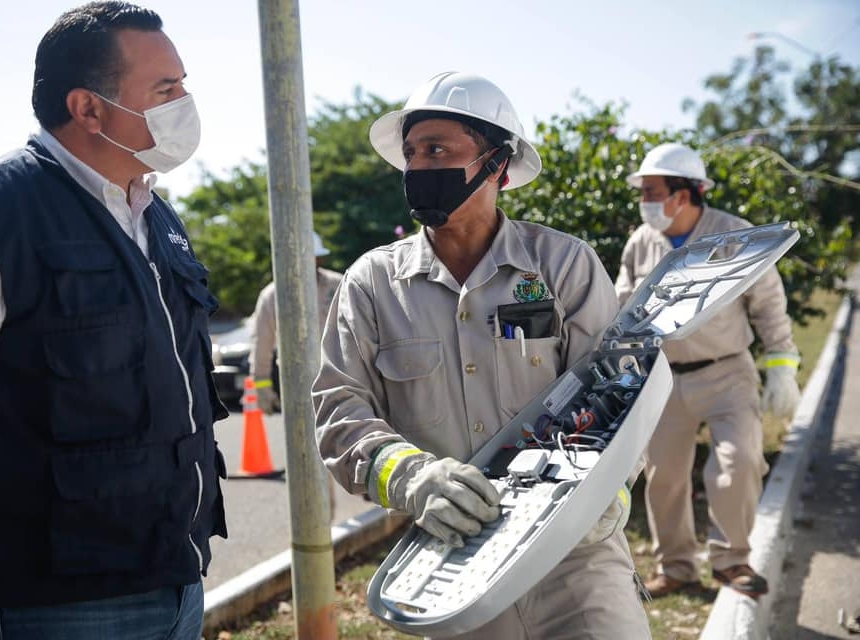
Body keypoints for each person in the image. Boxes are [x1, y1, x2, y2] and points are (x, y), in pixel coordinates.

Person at [0, 3, 228, 638]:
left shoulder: (154, 216)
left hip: (175, 580)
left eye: (183, 84)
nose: (185, 101)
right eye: (165, 89)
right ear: (88, 109)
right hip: (46, 606)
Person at [313, 71, 651, 639]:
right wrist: (410, 477)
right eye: (412, 153)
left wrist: (609, 491)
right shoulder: (373, 283)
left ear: (497, 163)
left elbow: (620, 390)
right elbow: (338, 409)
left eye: (438, 150)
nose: (418, 167)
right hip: (452, 567)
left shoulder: (563, 266)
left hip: (575, 558)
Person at [615, 142, 801, 599]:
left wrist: (782, 365)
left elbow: (769, 305)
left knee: (738, 464)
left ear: (685, 193)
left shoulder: (735, 236)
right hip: (663, 377)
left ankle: (731, 561)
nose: (646, 202)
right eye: (644, 192)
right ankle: (675, 567)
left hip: (727, 373)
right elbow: (623, 303)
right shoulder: (642, 240)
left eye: (653, 191)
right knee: (665, 476)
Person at [249, 231, 343, 414]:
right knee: (301, 438)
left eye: (312, 257)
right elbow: (262, 343)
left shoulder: (337, 285)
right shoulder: (273, 296)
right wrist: (261, 387)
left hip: (340, 379)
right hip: (296, 384)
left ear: (319, 259)